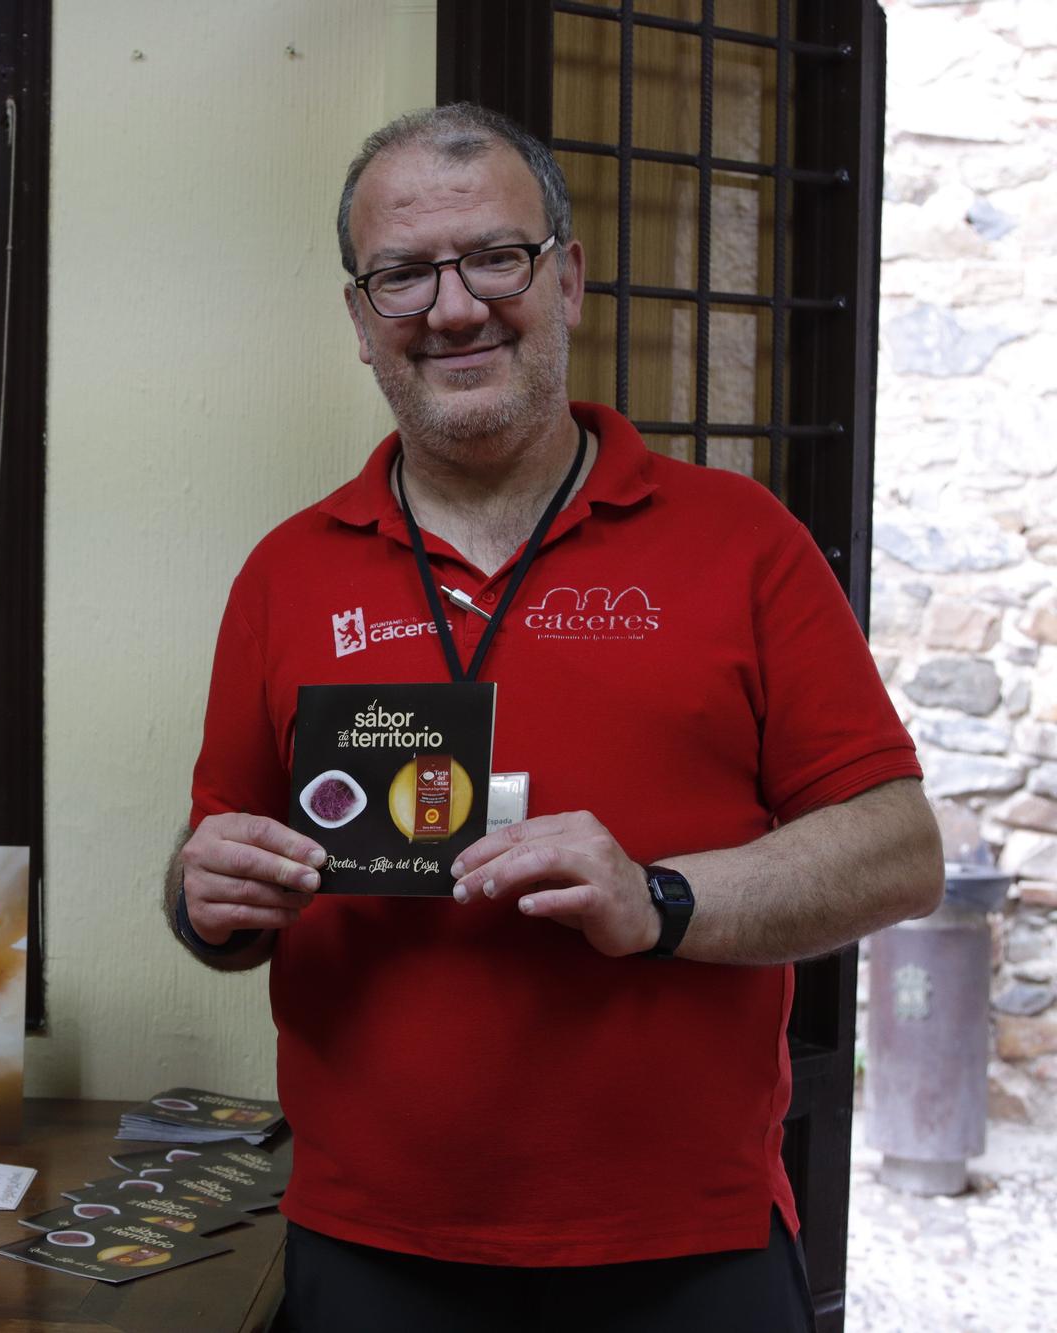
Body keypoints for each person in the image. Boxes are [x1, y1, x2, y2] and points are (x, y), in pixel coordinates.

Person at [167, 103, 942, 1332]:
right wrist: (199, 898)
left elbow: (899, 850)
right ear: (362, 320)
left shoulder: (739, 541)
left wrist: (658, 898)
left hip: (685, 1246)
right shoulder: (284, 572)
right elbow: (225, 874)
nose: (455, 305)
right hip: (370, 1246)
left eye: (494, 256)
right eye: (403, 274)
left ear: (567, 278)